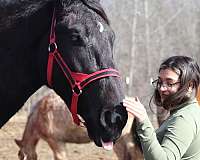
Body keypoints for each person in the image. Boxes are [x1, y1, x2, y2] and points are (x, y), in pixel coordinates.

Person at [123, 56, 200, 160]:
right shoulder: (189, 110)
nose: (162, 88)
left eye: (169, 83)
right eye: (160, 82)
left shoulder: (183, 119)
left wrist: (144, 121)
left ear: (190, 85)